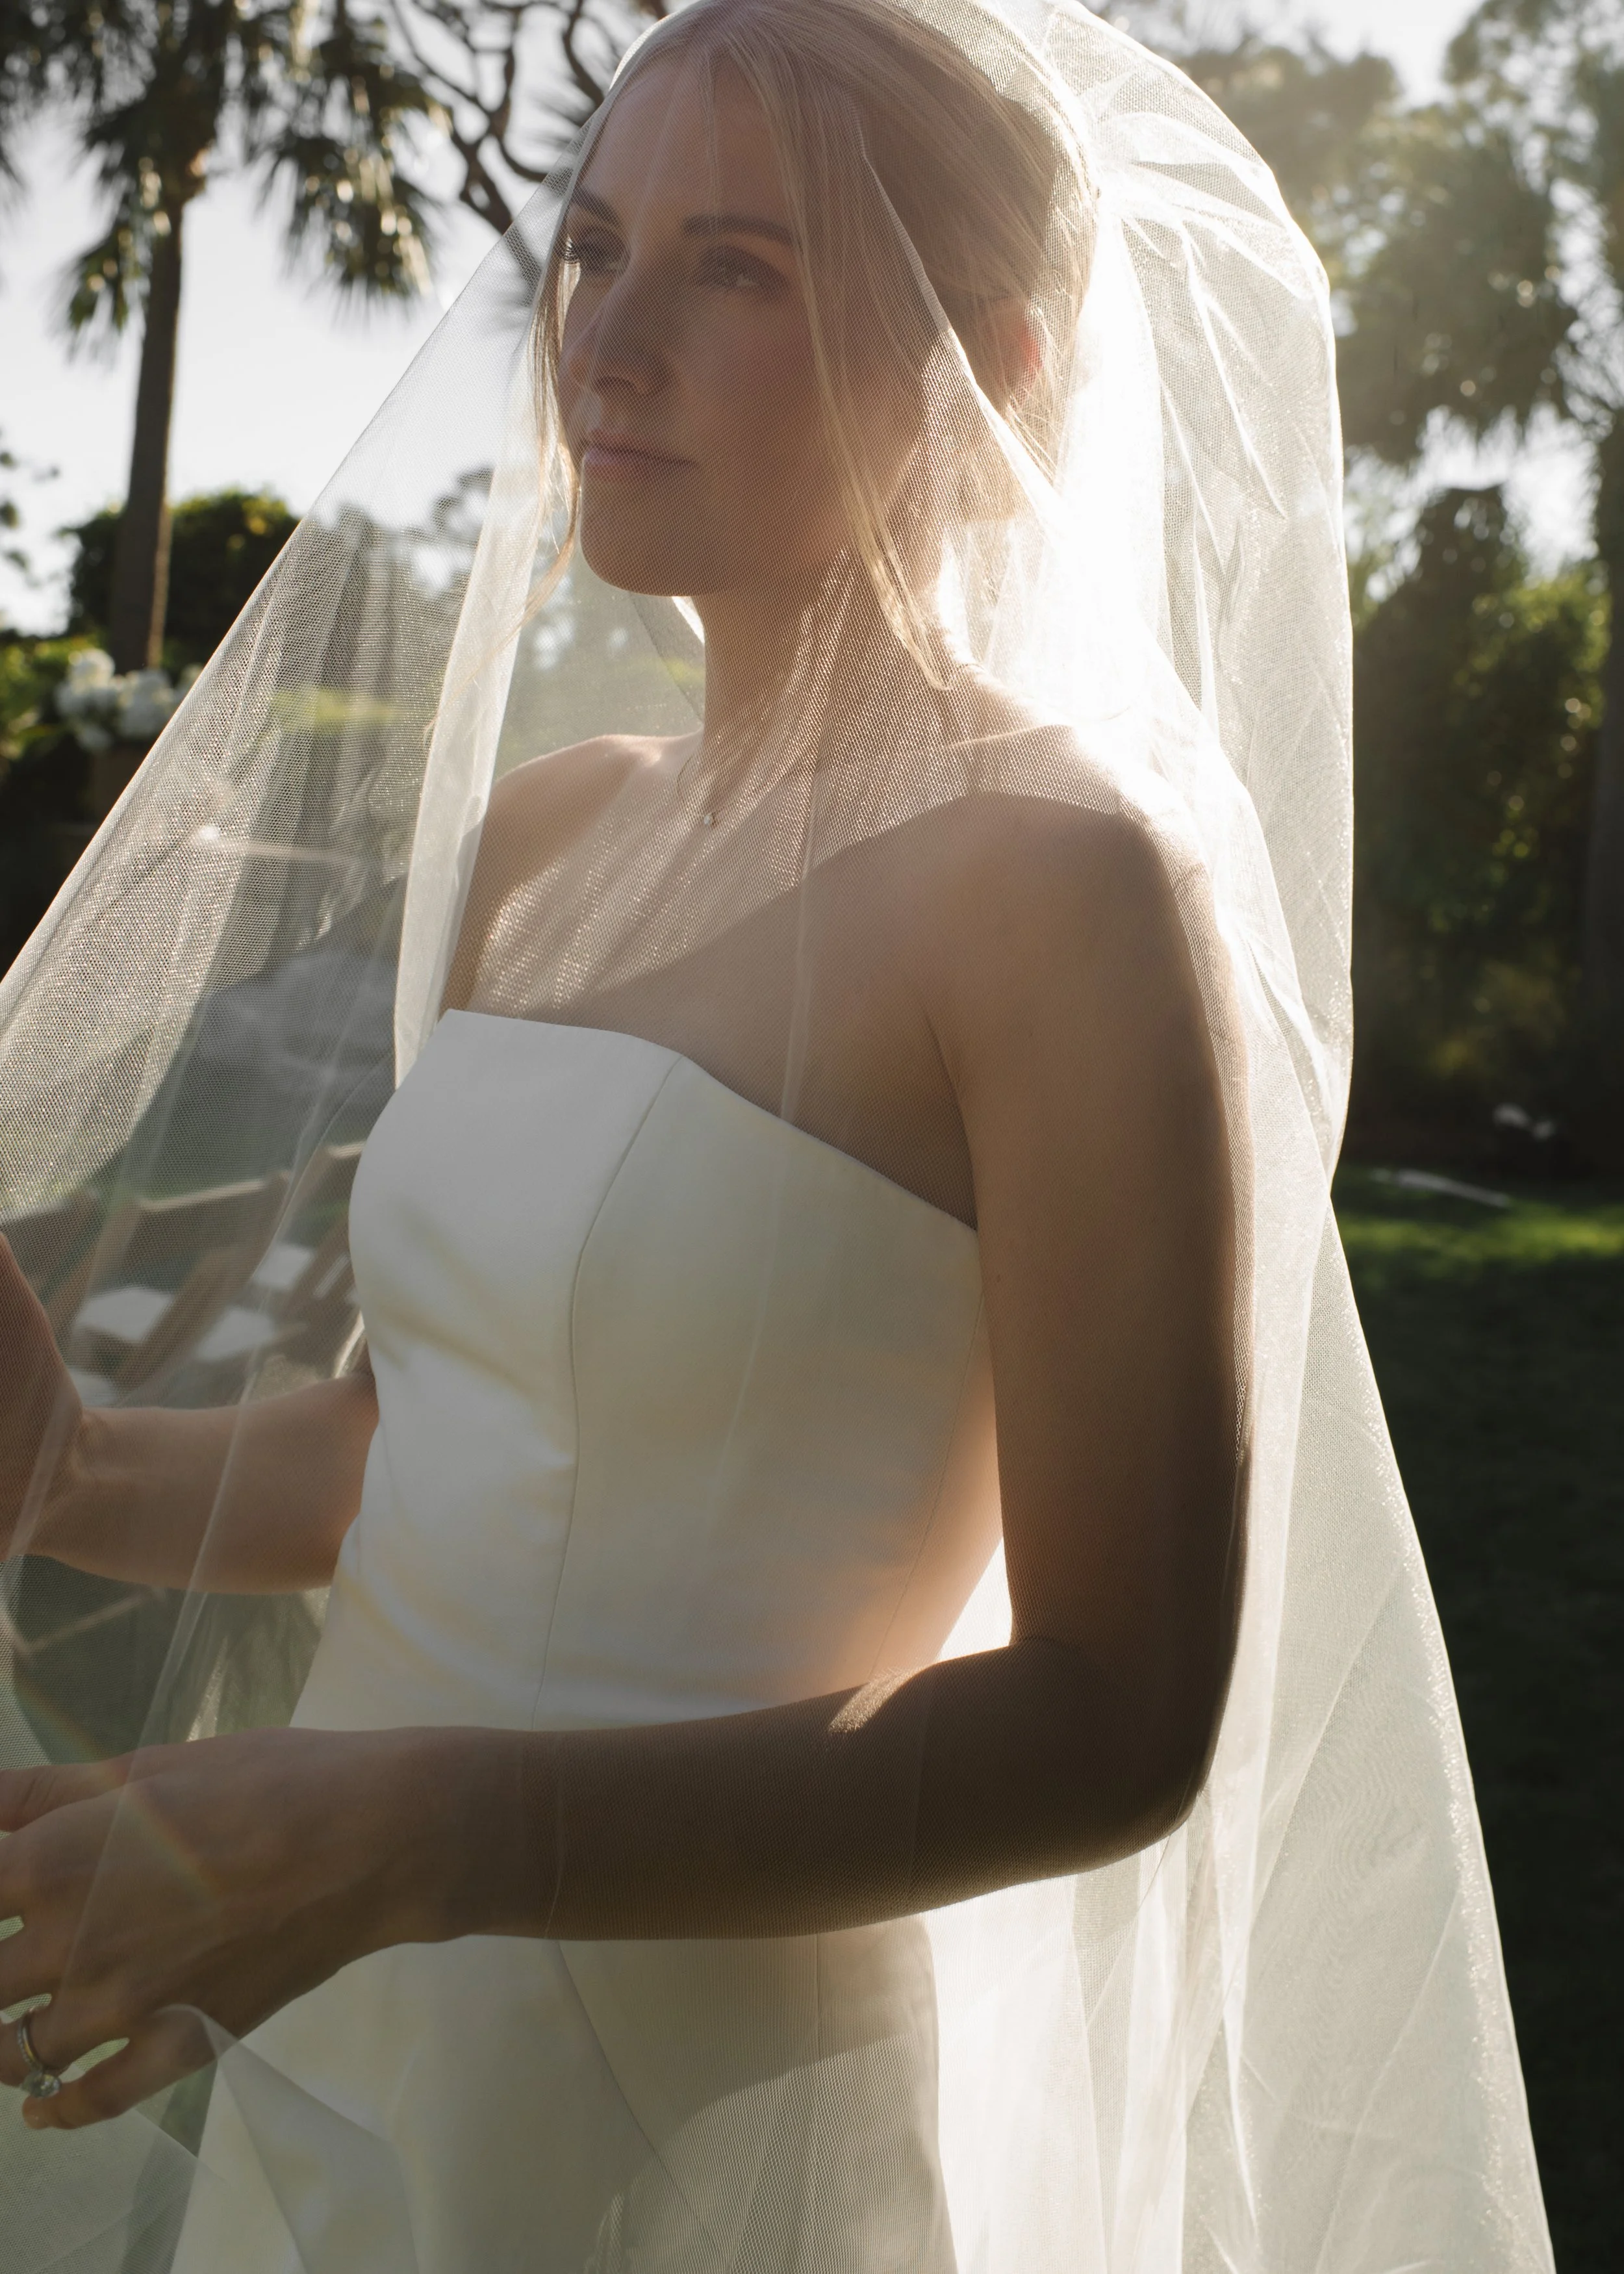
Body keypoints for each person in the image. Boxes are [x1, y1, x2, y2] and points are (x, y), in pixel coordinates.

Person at [0, 1, 1551, 2269]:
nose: (606, 347)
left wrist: (410, 1837)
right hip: (327, 2017)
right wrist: (66, 1465)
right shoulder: (549, 838)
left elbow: (1120, 1719)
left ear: (994, 368)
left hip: (684, 2097)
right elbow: (413, 1447)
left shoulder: (1053, 889)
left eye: (735, 269)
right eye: (596, 248)